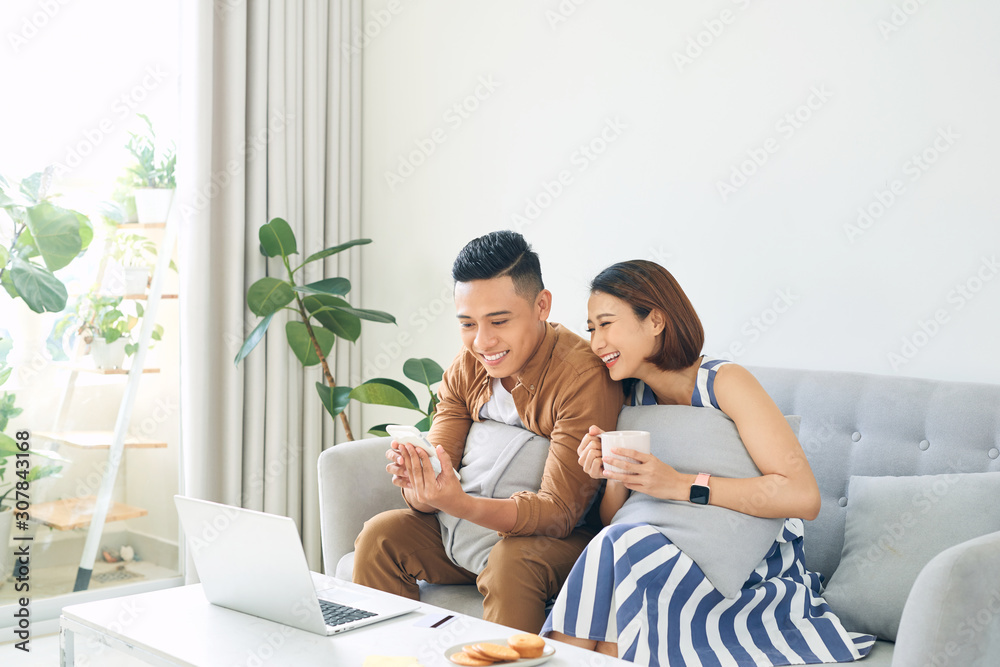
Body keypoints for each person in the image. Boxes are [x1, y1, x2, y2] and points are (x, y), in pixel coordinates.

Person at [542, 260, 875, 665]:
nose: (595, 343)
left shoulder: (724, 382)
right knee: (621, 549)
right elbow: (618, 519)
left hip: (752, 575)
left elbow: (804, 497)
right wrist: (614, 475)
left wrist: (678, 484)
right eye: (592, 328)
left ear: (656, 321)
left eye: (606, 324)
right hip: (660, 555)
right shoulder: (632, 398)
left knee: (623, 551)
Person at [353, 231, 622, 633]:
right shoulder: (468, 366)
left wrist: (459, 503)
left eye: (498, 321)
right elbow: (435, 478)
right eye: (467, 324)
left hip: (556, 541)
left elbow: (559, 513)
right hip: (468, 529)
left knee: (511, 564)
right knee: (381, 536)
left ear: (541, 306)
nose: (482, 341)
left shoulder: (579, 377)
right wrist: (421, 484)